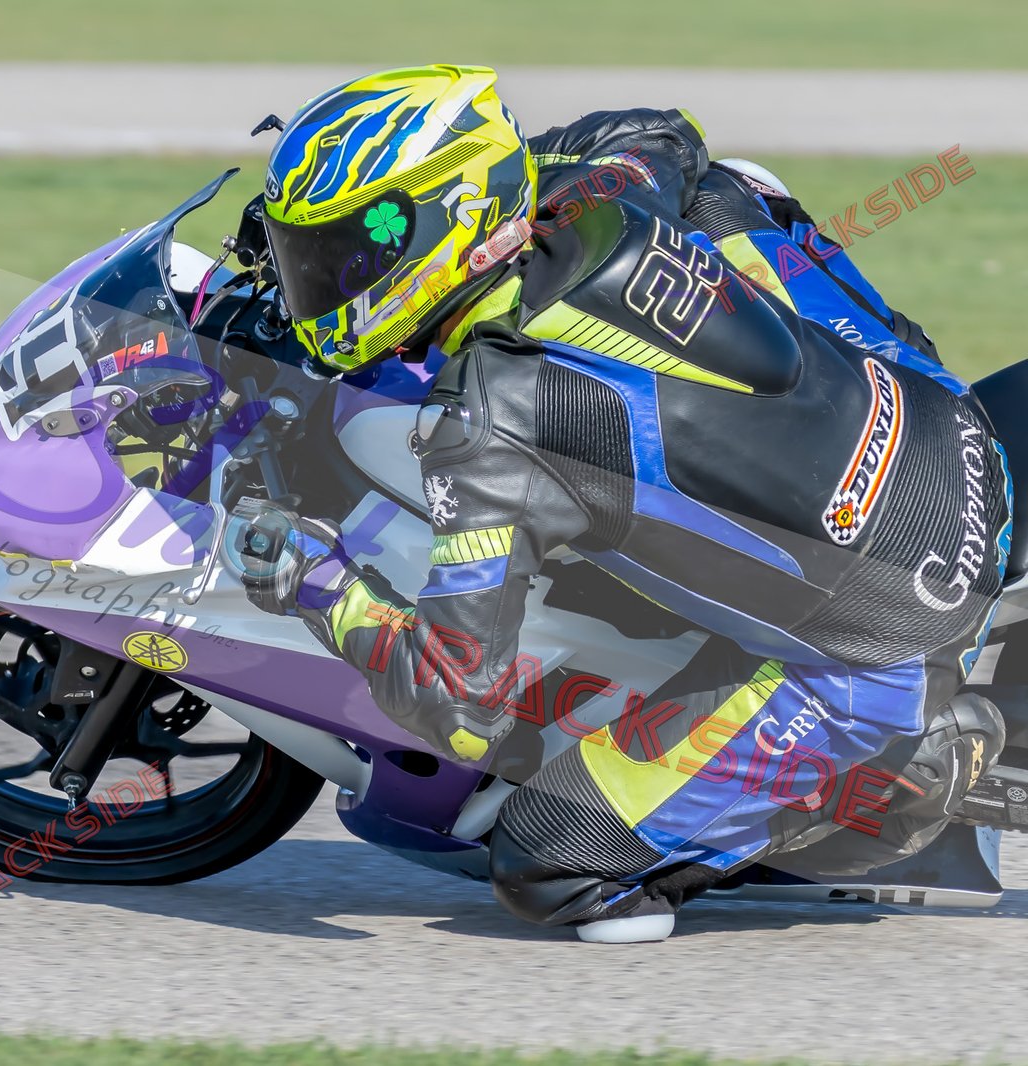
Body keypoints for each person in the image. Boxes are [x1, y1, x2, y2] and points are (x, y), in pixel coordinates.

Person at [242, 64, 1014, 941]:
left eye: (346, 254)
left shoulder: (490, 428)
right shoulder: (598, 186)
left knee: (545, 862)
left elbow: (459, 704)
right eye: (305, 258)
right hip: (947, 423)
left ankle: (905, 777)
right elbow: (665, 133)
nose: (321, 281)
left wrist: (314, 582)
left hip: (891, 633)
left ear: (445, 220)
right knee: (728, 192)